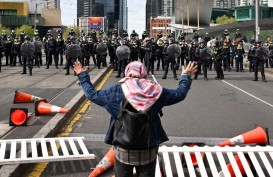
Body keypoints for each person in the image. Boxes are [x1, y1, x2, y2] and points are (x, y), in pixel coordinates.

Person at [73, 60, 197, 177]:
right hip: (148, 149)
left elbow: (91, 94)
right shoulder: (156, 91)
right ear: (143, 73)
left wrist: (82, 75)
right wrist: (185, 75)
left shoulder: (116, 91)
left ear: (127, 72)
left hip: (123, 149)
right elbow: (180, 94)